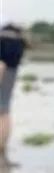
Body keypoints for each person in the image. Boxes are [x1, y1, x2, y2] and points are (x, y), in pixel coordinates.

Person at [0, 22, 29, 156]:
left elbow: (1, 66)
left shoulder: (3, 43)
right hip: (10, 79)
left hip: (2, 76)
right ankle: (3, 147)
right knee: (5, 113)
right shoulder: (18, 45)